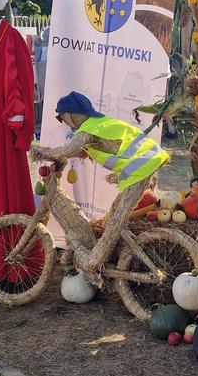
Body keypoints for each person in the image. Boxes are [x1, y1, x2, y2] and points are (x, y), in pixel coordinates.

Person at [40, 91, 169, 286]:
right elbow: (104, 149)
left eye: (62, 117)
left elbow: (67, 149)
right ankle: (123, 255)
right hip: (141, 166)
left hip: (142, 167)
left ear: (71, 115)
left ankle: (93, 261)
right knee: (114, 216)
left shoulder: (87, 130)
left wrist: (39, 151)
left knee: (114, 225)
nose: (63, 122)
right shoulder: (99, 126)